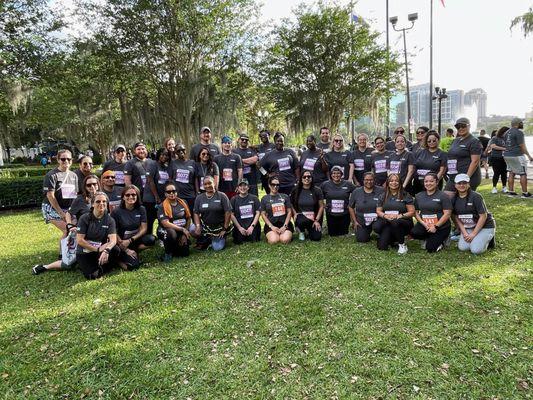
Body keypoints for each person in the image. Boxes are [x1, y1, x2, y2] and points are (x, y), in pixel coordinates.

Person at [32, 174, 97, 275]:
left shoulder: (103, 197)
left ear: (98, 184)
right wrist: (70, 225)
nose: (92, 187)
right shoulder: (80, 199)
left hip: (99, 234)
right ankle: (45, 267)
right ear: (85, 187)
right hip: (83, 235)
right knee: (68, 263)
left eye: (95, 184)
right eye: (89, 185)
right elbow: (69, 214)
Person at [73, 192, 120, 279]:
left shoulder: (110, 220)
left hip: (101, 250)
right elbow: (80, 240)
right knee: (92, 276)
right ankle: (85, 265)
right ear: (93, 204)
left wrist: (106, 250)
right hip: (85, 252)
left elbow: (113, 240)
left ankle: (100, 265)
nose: (101, 204)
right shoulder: (84, 218)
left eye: (104, 201)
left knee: (116, 250)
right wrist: (97, 249)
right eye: (98, 201)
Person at [112, 185, 156, 269]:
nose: (131, 197)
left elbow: (144, 229)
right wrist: (125, 248)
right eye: (127, 195)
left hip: (134, 239)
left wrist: (131, 240)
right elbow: (113, 232)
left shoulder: (141, 209)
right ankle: (117, 260)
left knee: (151, 239)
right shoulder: (116, 212)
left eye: (133, 195)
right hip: (121, 242)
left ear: (137, 196)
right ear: (123, 197)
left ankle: (134, 251)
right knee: (134, 266)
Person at [451, 174, 496, 254]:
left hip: (485, 226)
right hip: (469, 226)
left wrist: (473, 234)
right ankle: (479, 238)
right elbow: (455, 217)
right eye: (459, 183)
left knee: (475, 250)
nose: (462, 185)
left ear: (468, 184)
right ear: (455, 185)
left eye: (464, 183)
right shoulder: (453, 199)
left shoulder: (476, 196)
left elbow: (483, 216)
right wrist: (464, 232)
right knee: (463, 248)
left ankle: (489, 238)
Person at [41, 149, 79, 236]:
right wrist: (61, 213)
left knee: (75, 229)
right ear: (58, 160)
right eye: (63, 159)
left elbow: (75, 194)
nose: (66, 161)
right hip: (53, 208)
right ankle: (64, 250)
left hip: (68, 208)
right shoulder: (51, 175)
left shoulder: (74, 175)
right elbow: (50, 195)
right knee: (67, 229)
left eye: (68, 159)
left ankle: (71, 248)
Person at [374, 174, 415, 254]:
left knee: (395, 222)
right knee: (382, 246)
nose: (394, 183)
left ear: (400, 183)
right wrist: (385, 216)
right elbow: (378, 211)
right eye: (391, 181)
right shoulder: (383, 195)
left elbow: (412, 212)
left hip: (403, 222)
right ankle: (393, 238)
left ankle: (402, 244)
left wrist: (400, 216)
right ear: (388, 183)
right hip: (388, 221)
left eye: (396, 181)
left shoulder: (405, 195)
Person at [411, 173, 453, 253]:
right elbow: (415, 212)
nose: (428, 183)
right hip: (426, 225)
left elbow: (447, 214)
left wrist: (435, 226)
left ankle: (444, 239)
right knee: (414, 233)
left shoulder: (443, 196)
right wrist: (423, 223)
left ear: (437, 182)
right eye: (426, 181)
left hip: (441, 226)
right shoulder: (419, 196)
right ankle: (430, 237)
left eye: (431, 181)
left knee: (430, 249)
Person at [125, 142, 159, 234]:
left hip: (151, 195)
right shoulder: (130, 163)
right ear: (134, 151)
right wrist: (132, 195)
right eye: (138, 149)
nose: (141, 151)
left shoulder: (152, 162)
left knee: (153, 216)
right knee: (144, 218)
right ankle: (144, 235)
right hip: (139, 196)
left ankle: (155, 234)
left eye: (143, 149)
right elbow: (127, 180)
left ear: (146, 150)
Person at [444, 117, 483, 196]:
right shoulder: (456, 140)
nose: (461, 128)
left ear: (469, 126)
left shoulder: (474, 141)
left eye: (463, 126)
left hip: (467, 177)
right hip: (454, 176)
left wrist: (466, 179)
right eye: (458, 126)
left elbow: (475, 162)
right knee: (447, 199)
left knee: (463, 202)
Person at [193, 176, 232, 251]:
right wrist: (198, 226)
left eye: (209, 183)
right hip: (206, 226)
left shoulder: (222, 196)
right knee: (192, 228)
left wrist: (224, 228)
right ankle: (206, 238)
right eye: (205, 184)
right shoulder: (199, 198)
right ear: (203, 186)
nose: (207, 186)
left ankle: (217, 238)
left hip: (220, 227)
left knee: (217, 248)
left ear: (214, 183)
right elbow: (196, 213)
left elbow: (228, 212)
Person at [156, 182, 192, 262]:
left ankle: (173, 247)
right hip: (165, 230)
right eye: (168, 192)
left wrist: (184, 234)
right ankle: (167, 253)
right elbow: (165, 223)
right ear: (165, 194)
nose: (171, 193)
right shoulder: (161, 206)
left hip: (180, 230)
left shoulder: (183, 202)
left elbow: (188, 218)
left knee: (185, 253)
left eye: (174, 191)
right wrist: (183, 230)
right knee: (171, 234)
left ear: (177, 192)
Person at [348, 172, 384, 243]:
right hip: (362, 220)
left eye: (371, 180)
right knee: (361, 239)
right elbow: (350, 207)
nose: (369, 182)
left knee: (378, 227)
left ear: (374, 180)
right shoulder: (356, 191)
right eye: (366, 180)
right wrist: (354, 221)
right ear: (363, 180)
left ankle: (382, 233)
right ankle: (366, 232)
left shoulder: (381, 190)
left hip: (377, 219)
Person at [321, 165, 356, 236]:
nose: (336, 175)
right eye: (333, 173)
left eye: (338, 173)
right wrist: (323, 204)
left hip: (344, 214)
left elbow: (358, 193)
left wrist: (352, 204)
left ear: (341, 174)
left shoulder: (348, 184)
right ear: (331, 175)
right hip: (331, 214)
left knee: (343, 233)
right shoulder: (325, 184)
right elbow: (318, 194)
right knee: (333, 234)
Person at [290, 171, 324, 241]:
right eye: (304, 177)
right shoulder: (296, 190)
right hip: (301, 217)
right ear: (301, 179)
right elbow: (290, 203)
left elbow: (321, 206)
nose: (306, 178)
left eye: (309, 177)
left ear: (312, 178)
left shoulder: (317, 190)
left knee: (316, 238)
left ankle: (309, 230)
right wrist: (295, 213)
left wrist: (317, 220)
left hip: (313, 218)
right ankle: (301, 231)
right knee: (302, 221)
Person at [503, 117, 533, 198]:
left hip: (507, 155)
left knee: (511, 172)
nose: (522, 124)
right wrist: (529, 156)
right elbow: (522, 146)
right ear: (517, 124)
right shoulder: (519, 132)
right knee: (523, 173)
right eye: (521, 123)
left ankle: (511, 192)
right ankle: (525, 193)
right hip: (517, 155)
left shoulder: (506, 133)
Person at [260, 176, 293, 244]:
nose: (275, 186)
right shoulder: (264, 198)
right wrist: (271, 226)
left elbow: (289, 212)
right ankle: (274, 234)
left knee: (284, 240)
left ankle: (286, 233)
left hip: (284, 223)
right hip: (271, 224)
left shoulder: (285, 196)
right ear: (269, 185)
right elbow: (263, 214)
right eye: (273, 184)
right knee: (274, 241)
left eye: (277, 185)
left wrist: (285, 226)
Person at [231, 178, 262, 244]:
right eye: (240, 186)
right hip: (240, 226)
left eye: (245, 185)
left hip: (251, 226)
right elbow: (231, 215)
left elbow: (258, 213)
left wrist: (252, 226)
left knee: (254, 238)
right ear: (238, 188)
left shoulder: (254, 198)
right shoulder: (234, 199)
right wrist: (239, 228)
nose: (243, 187)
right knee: (239, 240)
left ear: (248, 187)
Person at [169, 144, 197, 212]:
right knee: (180, 216)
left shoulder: (192, 163)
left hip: (190, 195)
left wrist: (197, 192)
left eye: (183, 150)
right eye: (178, 151)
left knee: (193, 215)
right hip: (178, 195)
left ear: (186, 150)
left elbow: (195, 179)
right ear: (176, 152)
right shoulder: (172, 163)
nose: (181, 152)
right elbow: (170, 178)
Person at [488, 126, 509, 194]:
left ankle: (504, 187)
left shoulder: (507, 139)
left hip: (505, 158)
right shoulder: (495, 138)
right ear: (503, 131)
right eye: (507, 132)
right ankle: (494, 187)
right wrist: (504, 148)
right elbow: (493, 146)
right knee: (496, 173)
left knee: (504, 173)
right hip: (496, 158)